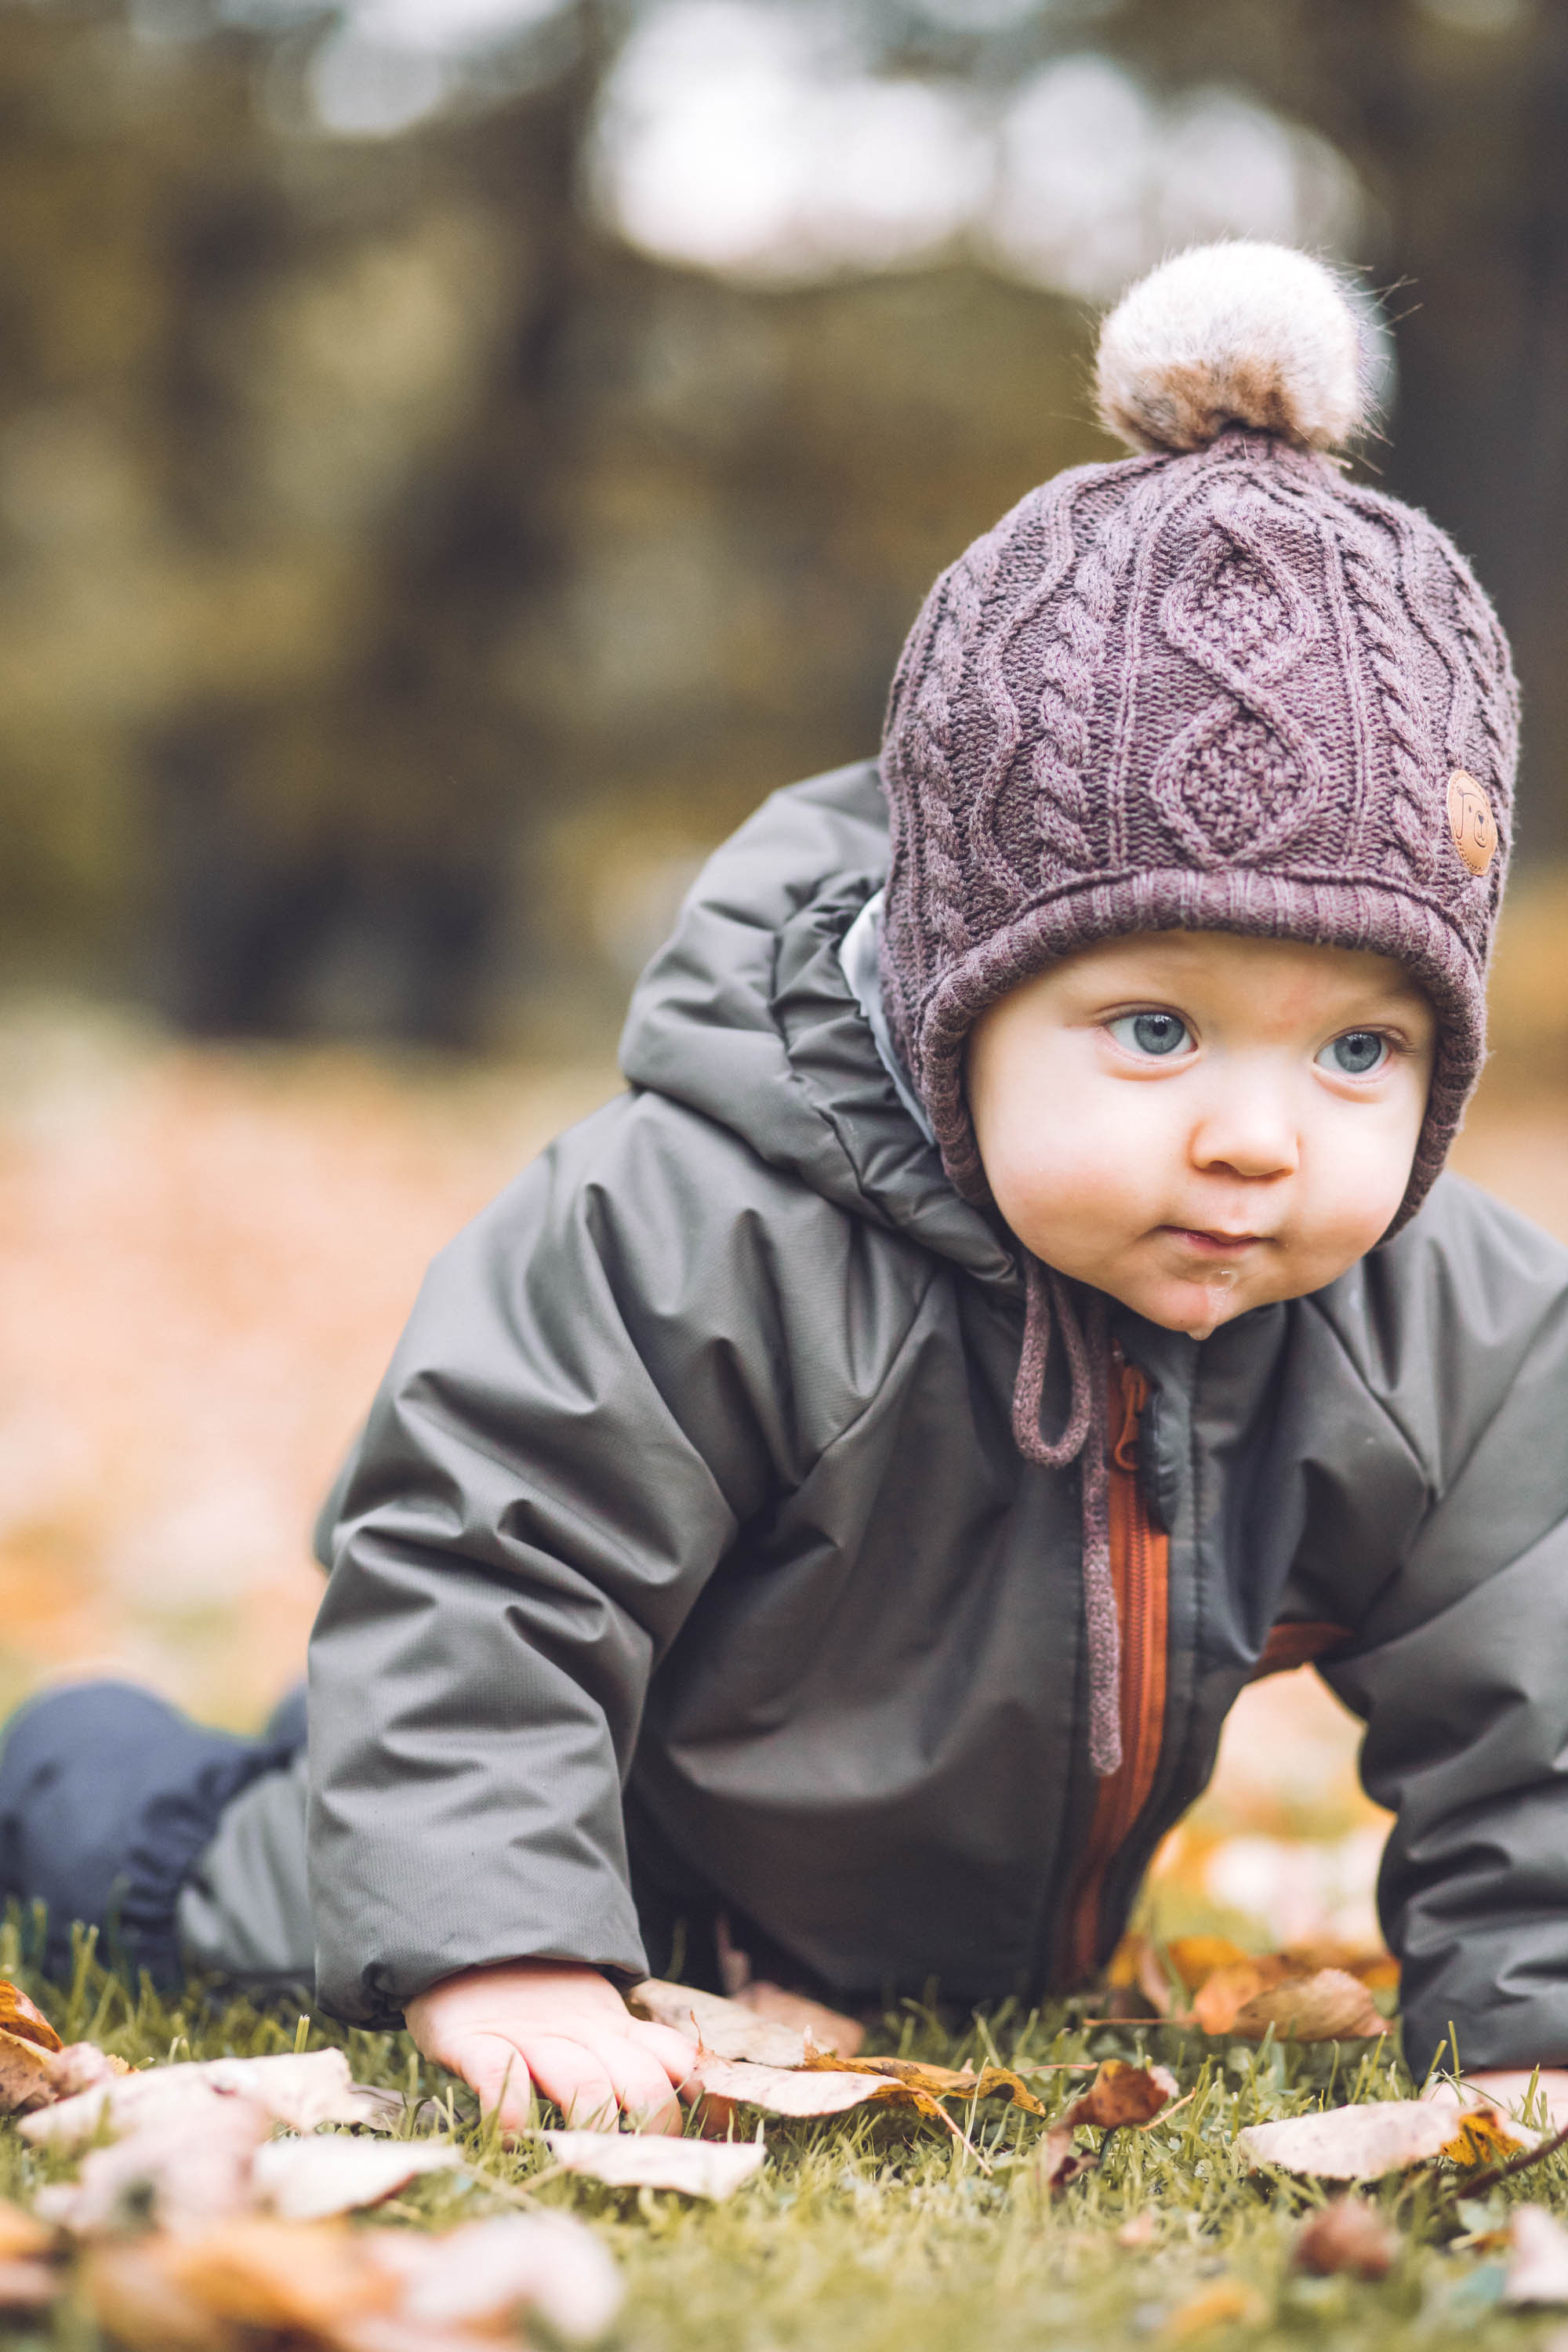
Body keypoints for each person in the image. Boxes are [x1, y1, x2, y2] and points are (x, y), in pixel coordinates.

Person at [2, 241, 1564, 2140]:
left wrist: (1528, 2031)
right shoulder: (698, 1235)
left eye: (1357, 1052)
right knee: (170, 1863)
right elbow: (492, 1563)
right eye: (1155, 1029)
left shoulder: (1440, 1334)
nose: (1259, 1136)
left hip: (915, 1929)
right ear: (950, 997)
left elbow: (1534, 1708)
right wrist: (501, 1945)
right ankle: (66, 1765)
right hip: (575, 1825)